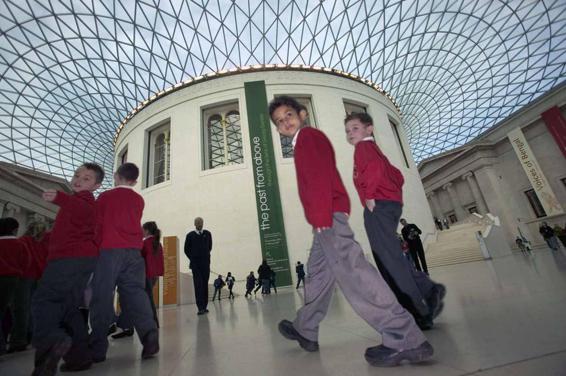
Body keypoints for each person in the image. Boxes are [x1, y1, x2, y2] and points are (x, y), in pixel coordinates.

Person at [269, 95, 432, 367]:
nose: (284, 122)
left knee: (355, 273)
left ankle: (405, 337)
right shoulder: (307, 140)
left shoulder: (308, 137)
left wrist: (322, 215)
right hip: (326, 216)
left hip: (327, 217)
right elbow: (324, 176)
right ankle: (305, 328)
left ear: (302, 113)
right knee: (318, 274)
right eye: (278, 122)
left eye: (288, 115)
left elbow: (320, 177)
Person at [345, 112, 445, 329]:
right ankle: (428, 291)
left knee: (388, 261)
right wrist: (392, 195)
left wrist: (370, 196)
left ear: (369, 129)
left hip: (378, 206)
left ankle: (420, 310)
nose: (350, 133)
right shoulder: (375, 150)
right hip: (390, 205)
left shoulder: (363, 148)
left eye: (354, 128)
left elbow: (374, 171)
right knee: (393, 257)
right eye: (347, 130)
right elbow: (397, 175)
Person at [30, 163, 103, 374]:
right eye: (77, 174)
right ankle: (79, 357)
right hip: (78, 259)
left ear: (96, 186)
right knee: (68, 309)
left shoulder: (84, 200)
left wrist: (60, 198)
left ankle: (51, 342)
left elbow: (83, 212)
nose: (79, 179)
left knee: (44, 301)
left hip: (69, 259)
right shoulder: (75, 203)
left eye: (87, 178)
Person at [88, 162, 159, 365]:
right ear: (135, 181)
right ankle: (149, 334)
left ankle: (98, 347)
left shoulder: (105, 197)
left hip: (110, 251)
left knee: (102, 294)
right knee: (136, 294)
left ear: (116, 176)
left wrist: (96, 245)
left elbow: (97, 225)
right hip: (134, 254)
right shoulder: (138, 199)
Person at [10, 221, 49, 353]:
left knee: (20, 308)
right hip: (40, 277)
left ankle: (18, 340)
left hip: (24, 276)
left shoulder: (23, 241)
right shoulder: (45, 244)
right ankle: (32, 336)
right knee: (34, 309)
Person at [0, 218, 30, 356]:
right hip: (14, 279)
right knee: (16, 310)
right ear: (14, 229)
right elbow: (26, 262)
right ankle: (16, 340)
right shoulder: (19, 244)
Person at [184, 217, 212, 315]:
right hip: (195, 265)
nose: (200, 224)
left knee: (205, 284)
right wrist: (193, 258)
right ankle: (200, 307)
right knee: (198, 285)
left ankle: (204, 306)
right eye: (198, 222)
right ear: (194, 224)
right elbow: (186, 249)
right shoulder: (190, 235)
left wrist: (205, 257)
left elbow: (209, 247)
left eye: (201, 222)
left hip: (205, 264)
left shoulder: (208, 234)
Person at [141, 221, 164, 326]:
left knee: (148, 299)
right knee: (148, 298)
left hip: (146, 274)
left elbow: (139, 257)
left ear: (146, 231)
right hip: (154, 275)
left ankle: (154, 322)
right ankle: (152, 321)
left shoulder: (145, 243)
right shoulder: (158, 243)